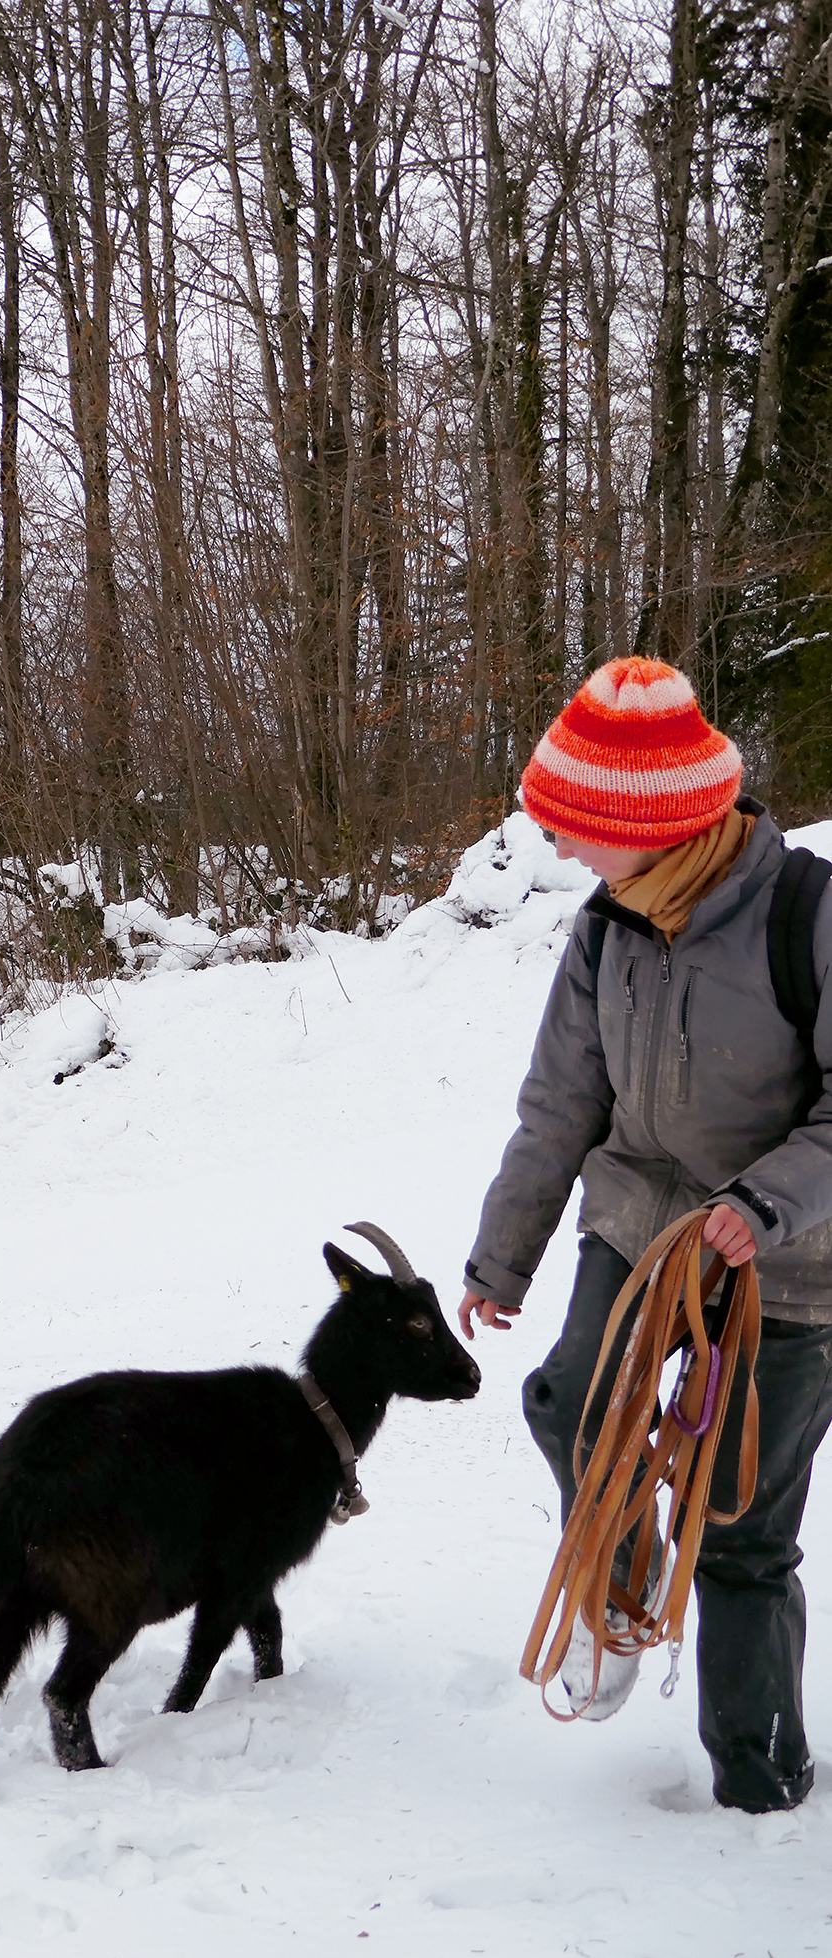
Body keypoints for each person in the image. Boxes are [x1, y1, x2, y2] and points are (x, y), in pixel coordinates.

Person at [459, 656, 832, 1814]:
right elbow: (560, 1101)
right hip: (637, 1218)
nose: (560, 850)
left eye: (576, 830)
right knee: (565, 1402)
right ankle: (616, 1590)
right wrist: (500, 1253)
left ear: (652, 826)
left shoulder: (803, 915)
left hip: (789, 1262)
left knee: (732, 1523)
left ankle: (758, 1783)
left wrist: (763, 1201)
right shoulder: (604, 926)